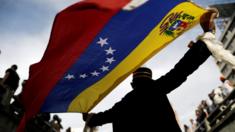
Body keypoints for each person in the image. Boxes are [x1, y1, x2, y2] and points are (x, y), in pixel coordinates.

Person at [82, 9, 218, 132]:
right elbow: (185, 67)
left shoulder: (126, 102)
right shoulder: (158, 88)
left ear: (133, 82)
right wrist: (207, 37)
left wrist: (85, 112)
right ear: (150, 78)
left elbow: (99, 118)